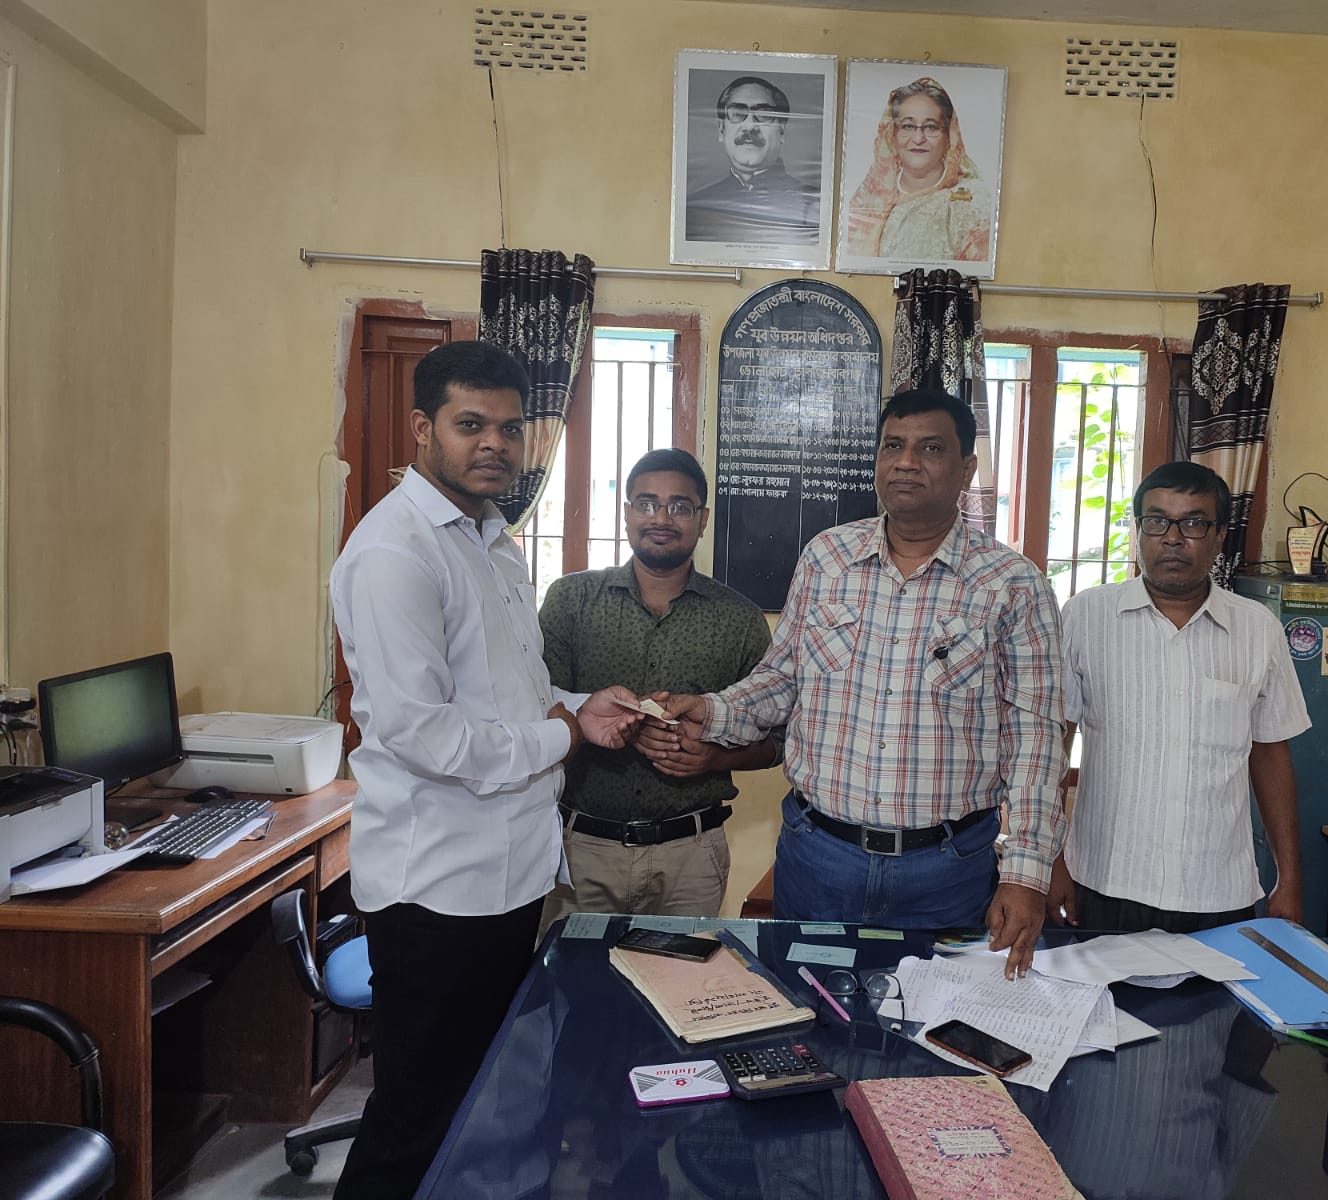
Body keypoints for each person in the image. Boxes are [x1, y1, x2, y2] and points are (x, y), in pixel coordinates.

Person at [329, 339, 642, 1200]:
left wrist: (578, 706)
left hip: (507, 873)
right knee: (415, 1117)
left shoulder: (492, 539)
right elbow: (424, 733)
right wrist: (562, 737)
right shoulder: (395, 551)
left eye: (510, 428)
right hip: (437, 887)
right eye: (471, 425)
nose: (494, 445)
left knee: (476, 1099)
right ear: (423, 428)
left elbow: (510, 692)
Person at [660, 387, 1067, 978]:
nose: (906, 463)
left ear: (966, 469)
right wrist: (711, 710)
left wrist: (1026, 874)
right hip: (819, 859)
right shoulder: (826, 558)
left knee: (933, 1021)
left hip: (946, 870)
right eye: (892, 446)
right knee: (808, 1007)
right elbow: (782, 680)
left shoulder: (1013, 584)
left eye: (930, 448)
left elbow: (1037, 739)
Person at [1049, 461, 1311, 935]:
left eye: (1193, 523)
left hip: (1217, 889)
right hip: (1105, 880)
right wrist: (1050, 861)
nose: (1172, 538)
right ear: (1138, 530)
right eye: (1157, 521)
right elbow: (1054, 746)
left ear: (1220, 535)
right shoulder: (1086, 617)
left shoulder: (1258, 630)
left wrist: (1288, 878)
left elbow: (1271, 754)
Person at [539, 448, 782, 920]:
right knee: (572, 969)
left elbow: (779, 741)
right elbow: (539, 708)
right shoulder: (571, 600)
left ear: (702, 519)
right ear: (627, 512)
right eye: (647, 503)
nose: (661, 518)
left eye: (679, 506)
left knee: (683, 970)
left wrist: (713, 757)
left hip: (691, 856)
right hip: (581, 848)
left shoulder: (740, 620)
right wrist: (608, 727)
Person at [844, 76, 992, 262]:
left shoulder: (970, 202)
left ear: (948, 137)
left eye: (931, 127)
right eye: (908, 126)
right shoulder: (868, 200)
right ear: (892, 134)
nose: (919, 138)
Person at [685, 75, 820, 245]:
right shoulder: (694, 212)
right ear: (721, 129)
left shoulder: (814, 206)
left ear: (782, 131)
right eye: (737, 113)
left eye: (763, 114)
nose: (749, 126)